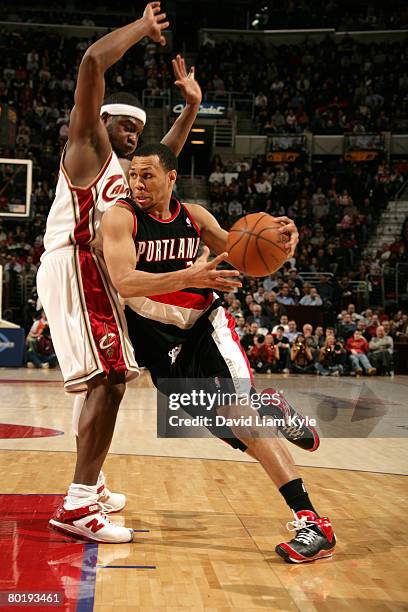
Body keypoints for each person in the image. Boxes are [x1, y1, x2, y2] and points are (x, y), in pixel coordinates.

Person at [102, 143, 335, 563]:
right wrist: (191, 273)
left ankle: (313, 521)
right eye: (133, 174)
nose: (137, 183)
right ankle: (271, 407)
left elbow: (247, 255)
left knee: (239, 418)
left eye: (147, 175)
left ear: (171, 177)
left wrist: (283, 246)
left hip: (204, 328)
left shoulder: (194, 216)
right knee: (231, 431)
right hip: (158, 344)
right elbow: (124, 281)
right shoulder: (120, 217)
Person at [37, 3, 205, 543]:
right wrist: (141, 28)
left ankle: (92, 484)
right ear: (99, 120)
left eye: (138, 128)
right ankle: (80, 504)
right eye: (123, 125)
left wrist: (190, 110)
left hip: (95, 270)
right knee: (110, 379)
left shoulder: (129, 173)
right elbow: (91, 63)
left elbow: (165, 158)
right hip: (78, 261)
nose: (133, 134)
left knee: (111, 380)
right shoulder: (86, 148)